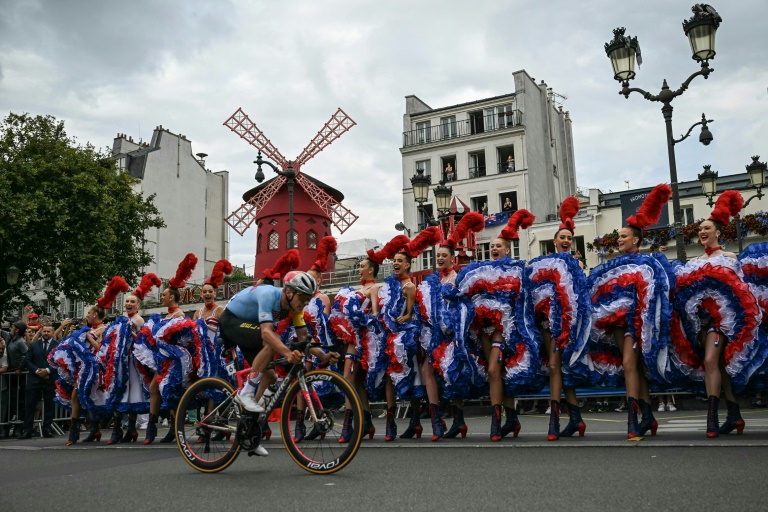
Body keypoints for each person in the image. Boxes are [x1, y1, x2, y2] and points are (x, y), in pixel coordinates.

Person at [671, 191, 761, 437]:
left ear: (718, 233)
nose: (702, 231)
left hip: (727, 325)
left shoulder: (731, 258)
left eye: (707, 228)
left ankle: (712, 419)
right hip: (701, 325)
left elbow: (742, 292)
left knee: (712, 361)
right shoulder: (692, 263)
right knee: (718, 367)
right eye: (700, 228)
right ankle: (734, 416)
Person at [587, 184, 674, 439]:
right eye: (619, 236)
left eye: (623, 236)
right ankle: (647, 416)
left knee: (628, 365)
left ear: (635, 239)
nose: (619, 239)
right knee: (633, 368)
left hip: (636, 324)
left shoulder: (646, 262)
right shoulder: (612, 265)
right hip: (615, 325)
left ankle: (633, 420)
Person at [229, 268, 336, 457]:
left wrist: (323, 356)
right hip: (233, 321)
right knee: (271, 340)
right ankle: (245, 393)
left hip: (252, 329)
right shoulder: (268, 295)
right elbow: (266, 333)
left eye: (308, 299)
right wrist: (287, 354)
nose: (305, 303)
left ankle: (251, 430)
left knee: (270, 377)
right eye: (302, 298)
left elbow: (304, 338)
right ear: (289, 292)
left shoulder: (295, 309)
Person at [457, 210, 536, 441]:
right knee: (498, 374)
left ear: (508, 249)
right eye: (492, 246)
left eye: (499, 246)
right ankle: (511, 418)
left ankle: (496, 423)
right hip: (484, 330)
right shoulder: (482, 270)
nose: (494, 249)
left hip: (506, 330)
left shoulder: (517, 269)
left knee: (493, 370)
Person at [525, 196, 590, 441]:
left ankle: (555, 421)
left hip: (566, 327)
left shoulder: (576, 264)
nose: (565, 241)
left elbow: (579, 298)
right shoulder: (543, 263)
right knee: (559, 368)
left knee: (554, 366)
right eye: (562, 238)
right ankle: (575, 418)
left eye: (569, 239)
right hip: (545, 326)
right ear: (554, 242)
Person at [333, 236, 409, 443]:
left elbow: (376, 313)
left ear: (371, 270)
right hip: (353, 340)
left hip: (371, 339)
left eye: (362, 266)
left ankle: (389, 422)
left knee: (384, 380)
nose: (359, 269)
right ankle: (360, 423)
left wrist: (362, 319)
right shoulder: (352, 291)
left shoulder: (374, 288)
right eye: (359, 266)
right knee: (351, 380)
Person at [420, 212, 485, 440]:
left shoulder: (457, 278)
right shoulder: (432, 281)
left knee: (453, 375)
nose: (439, 259)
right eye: (437, 255)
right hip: (435, 336)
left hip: (452, 336)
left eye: (444, 256)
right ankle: (438, 421)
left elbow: (465, 305)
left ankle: (458, 421)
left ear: (452, 259)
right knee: (428, 371)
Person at [378, 227, 442, 441]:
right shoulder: (389, 287)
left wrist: (401, 321)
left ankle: (418, 421)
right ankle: (393, 422)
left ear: (408, 264)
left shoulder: (409, 287)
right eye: (393, 260)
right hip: (390, 337)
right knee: (390, 376)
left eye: (400, 261)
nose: (395, 263)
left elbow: (409, 314)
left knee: (413, 378)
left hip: (406, 338)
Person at [104, 273, 161, 444]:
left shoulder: (139, 320)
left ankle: (131, 428)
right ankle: (117, 430)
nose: (128, 304)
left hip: (132, 362)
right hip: (119, 362)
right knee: (119, 392)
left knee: (133, 393)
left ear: (138, 305)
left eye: (132, 302)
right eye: (127, 301)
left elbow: (141, 341)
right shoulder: (120, 320)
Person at [17, 325, 58, 439]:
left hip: (49, 379)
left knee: (49, 405)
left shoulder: (57, 346)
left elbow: (60, 361)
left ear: (53, 333)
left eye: (48, 331)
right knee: (30, 405)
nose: (46, 333)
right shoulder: (34, 345)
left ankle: (47, 429)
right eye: (44, 331)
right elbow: (27, 360)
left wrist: (48, 371)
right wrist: (36, 371)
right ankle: (27, 430)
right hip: (34, 379)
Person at [6, 321, 28, 437]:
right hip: (11, 372)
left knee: (21, 399)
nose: (10, 328)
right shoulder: (10, 338)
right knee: (12, 398)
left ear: (17, 330)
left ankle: (20, 426)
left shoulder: (20, 342)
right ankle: (11, 424)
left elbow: (26, 356)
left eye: (13, 327)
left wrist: (20, 368)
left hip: (20, 373)